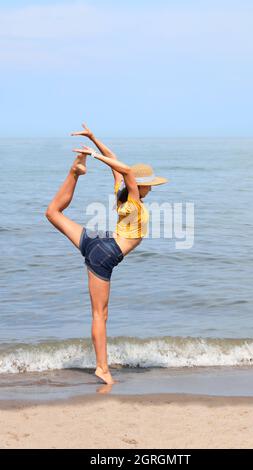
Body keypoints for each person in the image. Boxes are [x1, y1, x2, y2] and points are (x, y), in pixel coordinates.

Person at [45, 123, 168, 384]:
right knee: (100, 315)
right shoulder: (133, 198)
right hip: (105, 253)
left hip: (96, 241)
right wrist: (99, 156)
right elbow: (122, 168)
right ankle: (102, 368)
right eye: (149, 185)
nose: (152, 188)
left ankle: (75, 172)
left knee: (53, 213)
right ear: (140, 184)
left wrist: (93, 140)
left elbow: (116, 164)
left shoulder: (120, 193)